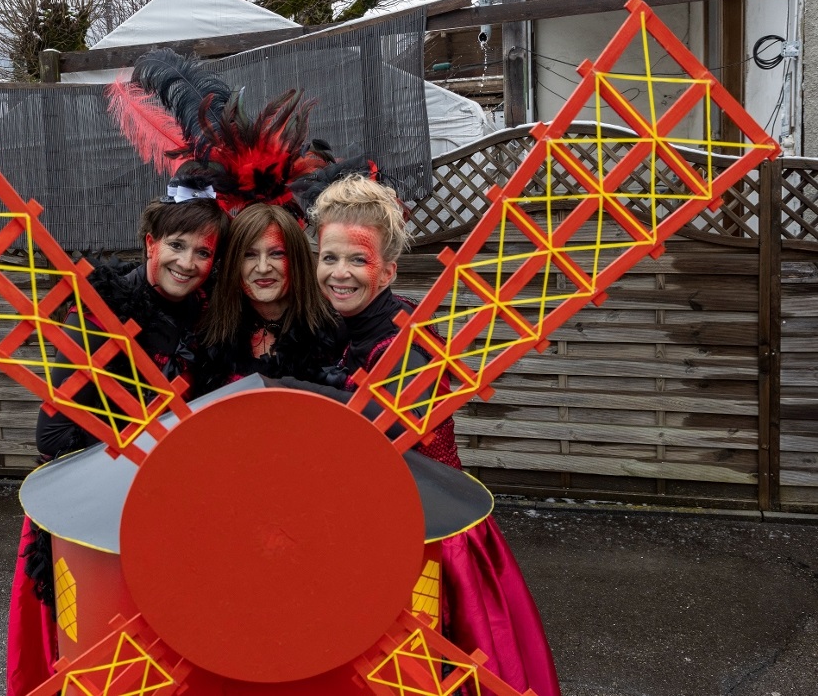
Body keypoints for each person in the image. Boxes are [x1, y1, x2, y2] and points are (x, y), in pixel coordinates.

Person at [309, 174, 563, 696]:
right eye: (329, 257)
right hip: (365, 531)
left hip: (428, 540)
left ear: (387, 269)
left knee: (419, 673)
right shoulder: (335, 328)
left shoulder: (408, 343)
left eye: (357, 259)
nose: (340, 273)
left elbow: (364, 443)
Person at [7, 184, 229, 696]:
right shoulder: (103, 312)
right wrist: (154, 434)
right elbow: (54, 432)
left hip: (176, 516)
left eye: (202, 252)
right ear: (151, 242)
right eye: (177, 245)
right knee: (112, 666)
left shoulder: (209, 316)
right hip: (99, 516)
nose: (187, 262)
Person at [195, 204, 341, 393]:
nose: (263, 268)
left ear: (297, 259)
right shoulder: (204, 329)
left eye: (277, 253)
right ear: (233, 263)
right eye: (249, 255)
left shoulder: (336, 328)